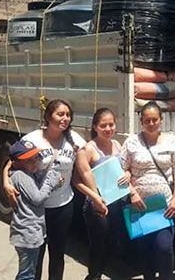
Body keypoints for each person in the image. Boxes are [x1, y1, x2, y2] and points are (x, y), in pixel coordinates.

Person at [3, 99, 87, 280]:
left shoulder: (75, 140)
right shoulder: (32, 139)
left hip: (63, 206)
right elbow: (12, 162)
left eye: (68, 115)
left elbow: (85, 170)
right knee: (37, 256)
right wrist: (5, 182)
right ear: (49, 116)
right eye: (60, 114)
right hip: (36, 211)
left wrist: (96, 196)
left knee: (57, 254)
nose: (65, 118)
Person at [120, 101, 175, 280]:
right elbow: (120, 171)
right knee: (145, 250)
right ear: (141, 121)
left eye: (154, 120)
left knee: (164, 247)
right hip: (140, 207)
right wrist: (132, 194)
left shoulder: (171, 141)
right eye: (147, 120)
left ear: (161, 120)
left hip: (164, 206)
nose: (151, 124)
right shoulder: (132, 142)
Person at [73, 107, 131, 280]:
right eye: (103, 125)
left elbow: (122, 170)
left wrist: (127, 174)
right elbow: (76, 180)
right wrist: (95, 197)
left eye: (111, 125)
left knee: (115, 245)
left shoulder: (117, 145)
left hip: (117, 203)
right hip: (96, 206)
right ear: (95, 127)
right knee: (98, 247)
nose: (108, 129)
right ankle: (93, 276)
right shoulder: (87, 150)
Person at [9, 140, 63, 280]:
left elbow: (35, 191)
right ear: (16, 163)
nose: (34, 162)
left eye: (35, 158)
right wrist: (51, 182)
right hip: (27, 233)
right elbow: (37, 198)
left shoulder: (27, 174)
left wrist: (54, 184)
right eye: (28, 160)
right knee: (27, 275)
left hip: (31, 232)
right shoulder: (21, 175)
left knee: (27, 272)